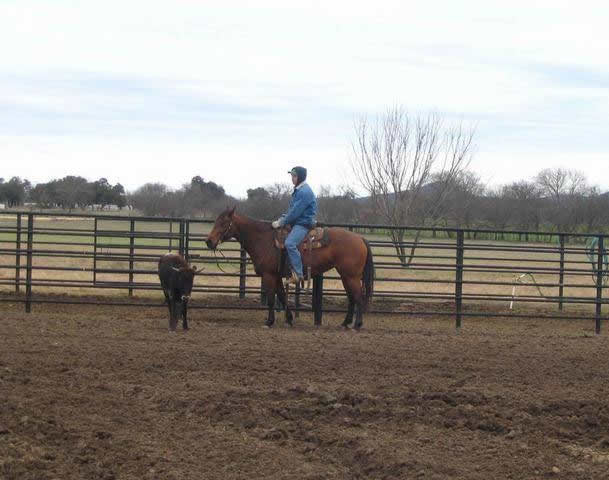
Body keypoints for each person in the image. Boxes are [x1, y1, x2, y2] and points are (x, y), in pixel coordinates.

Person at [272, 166, 317, 285]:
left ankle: (298, 274)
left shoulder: (304, 192)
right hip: (298, 221)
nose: (292, 178)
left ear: (300, 177)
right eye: (292, 176)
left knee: (290, 243)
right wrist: (283, 218)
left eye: (294, 176)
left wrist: (281, 222)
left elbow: (295, 212)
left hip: (303, 223)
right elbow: (292, 210)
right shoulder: (299, 190)